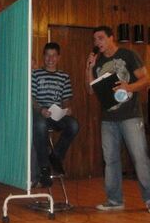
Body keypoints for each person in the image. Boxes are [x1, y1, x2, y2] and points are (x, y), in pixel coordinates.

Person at [86, 25, 150, 212]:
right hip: (108, 118)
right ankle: (115, 201)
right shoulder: (98, 62)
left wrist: (128, 87)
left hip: (130, 115)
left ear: (111, 37)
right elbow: (89, 90)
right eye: (95, 40)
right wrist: (89, 68)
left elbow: (146, 79)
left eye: (100, 38)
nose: (97, 42)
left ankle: (149, 198)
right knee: (111, 159)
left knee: (140, 157)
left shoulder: (128, 55)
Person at [32, 42, 79, 187]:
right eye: (47, 55)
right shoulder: (36, 74)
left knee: (73, 124)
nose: (50, 59)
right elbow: (31, 98)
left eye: (53, 55)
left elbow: (66, 99)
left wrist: (67, 109)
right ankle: (44, 168)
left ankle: (56, 156)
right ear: (43, 56)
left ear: (58, 57)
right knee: (40, 125)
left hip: (56, 113)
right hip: (40, 112)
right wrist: (41, 109)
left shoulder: (64, 76)